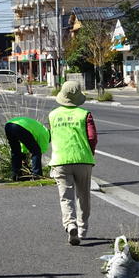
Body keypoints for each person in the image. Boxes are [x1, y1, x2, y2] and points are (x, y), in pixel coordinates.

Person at [48, 81, 97, 246]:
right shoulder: (85, 114)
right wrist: (90, 152)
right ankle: (82, 229)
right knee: (83, 196)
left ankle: (70, 225)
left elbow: (51, 136)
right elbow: (92, 138)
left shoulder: (53, 115)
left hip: (60, 160)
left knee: (65, 197)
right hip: (83, 159)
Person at [4, 117, 50, 181]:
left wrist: (24, 156)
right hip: (19, 126)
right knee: (36, 151)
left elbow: (24, 146)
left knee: (16, 151)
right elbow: (40, 151)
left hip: (8, 125)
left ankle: (16, 175)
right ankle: (37, 175)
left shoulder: (42, 129)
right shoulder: (46, 134)